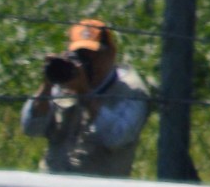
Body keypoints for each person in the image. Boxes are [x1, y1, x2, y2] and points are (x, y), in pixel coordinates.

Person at [20, 17, 150, 178]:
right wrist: (47, 84)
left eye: (94, 55)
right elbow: (31, 128)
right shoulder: (65, 79)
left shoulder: (132, 91)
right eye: (80, 54)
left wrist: (86, 94)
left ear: (111, 53)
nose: (87, 62)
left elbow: (115, 137)